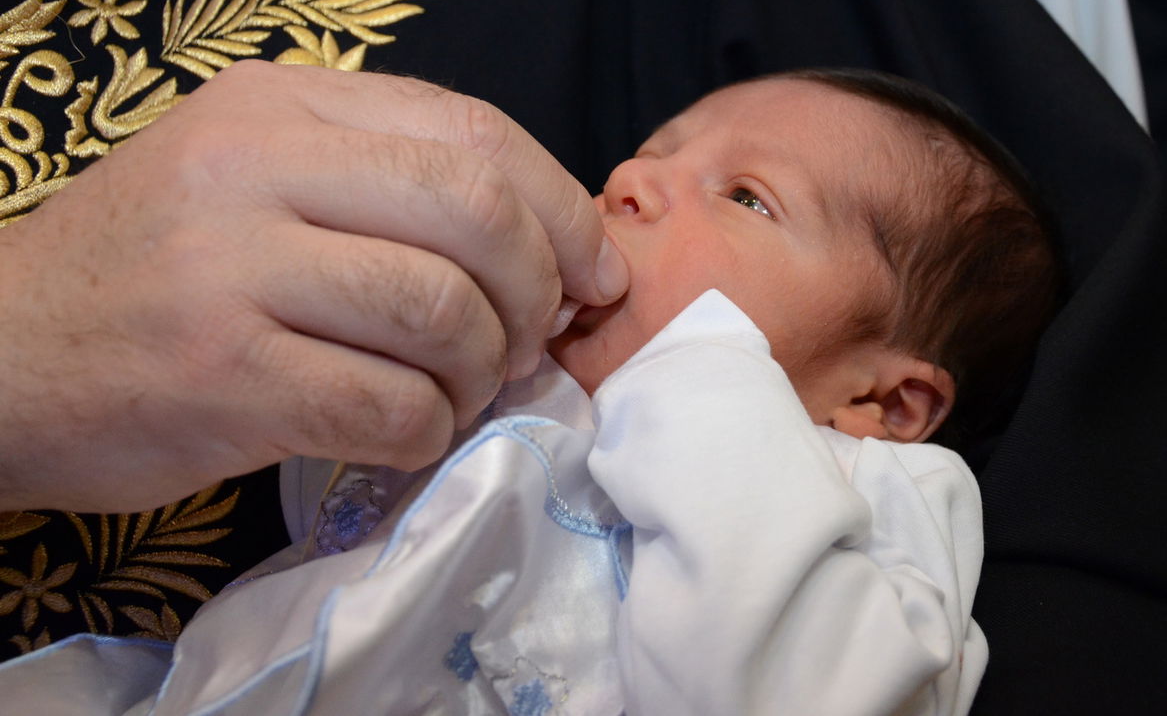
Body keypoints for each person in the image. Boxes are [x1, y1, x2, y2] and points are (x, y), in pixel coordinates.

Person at [0, 67, 1060, 714]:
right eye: (651, 157)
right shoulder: (529, 389)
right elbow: (326, 520)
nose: (631, 185)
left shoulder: (875, 494)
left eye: (744, 197)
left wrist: (700, 375)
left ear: (886, 400)